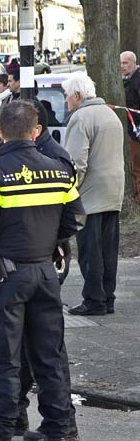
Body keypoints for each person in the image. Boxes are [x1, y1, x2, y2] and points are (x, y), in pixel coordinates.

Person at [0, 100, 84, 441]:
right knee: (48, 357)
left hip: (6, 278)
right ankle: (55, 437)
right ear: (35, 131)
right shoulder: (59, 170)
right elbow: (75, 219)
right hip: (45, 274)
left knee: (5, 361)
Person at [63, 73, 125, 315]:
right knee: (109, 250)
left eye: (67, 95)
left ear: (77, 95)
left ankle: (94, 300)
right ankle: (107, 297)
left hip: (90, 193)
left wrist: (68, 193)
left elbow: (76, 161)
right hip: (113, 190)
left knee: (90, 251)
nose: (66, 100)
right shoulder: (110, 114)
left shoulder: (81, 117)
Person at [121, 51, 140, 202]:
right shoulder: (127, 80)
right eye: (120, 63)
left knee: (136, 169)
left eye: (125, 63)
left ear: (134, 63)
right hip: (132, 130)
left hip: (136, 132)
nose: (122, 66)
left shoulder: (137, 81)